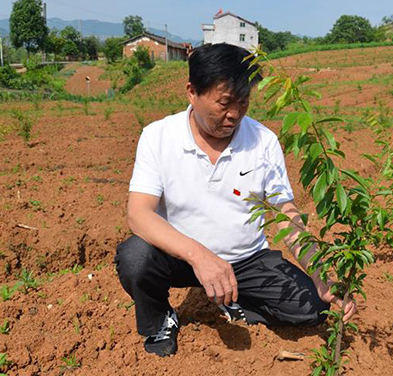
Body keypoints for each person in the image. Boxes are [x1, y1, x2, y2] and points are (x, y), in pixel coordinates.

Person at [115, 43, 356, 357]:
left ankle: (237, 303)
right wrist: (199, 255)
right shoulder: (158, 136)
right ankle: (160, 319)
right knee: (135, 256)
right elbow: (139, 215)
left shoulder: (263, 141)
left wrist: (320, 276)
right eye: (224, 102)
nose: (234, 115)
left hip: (246, 261)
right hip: (180, 258)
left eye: (243, 103)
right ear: (192, 92)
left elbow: (286, 214)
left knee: (313, 307)